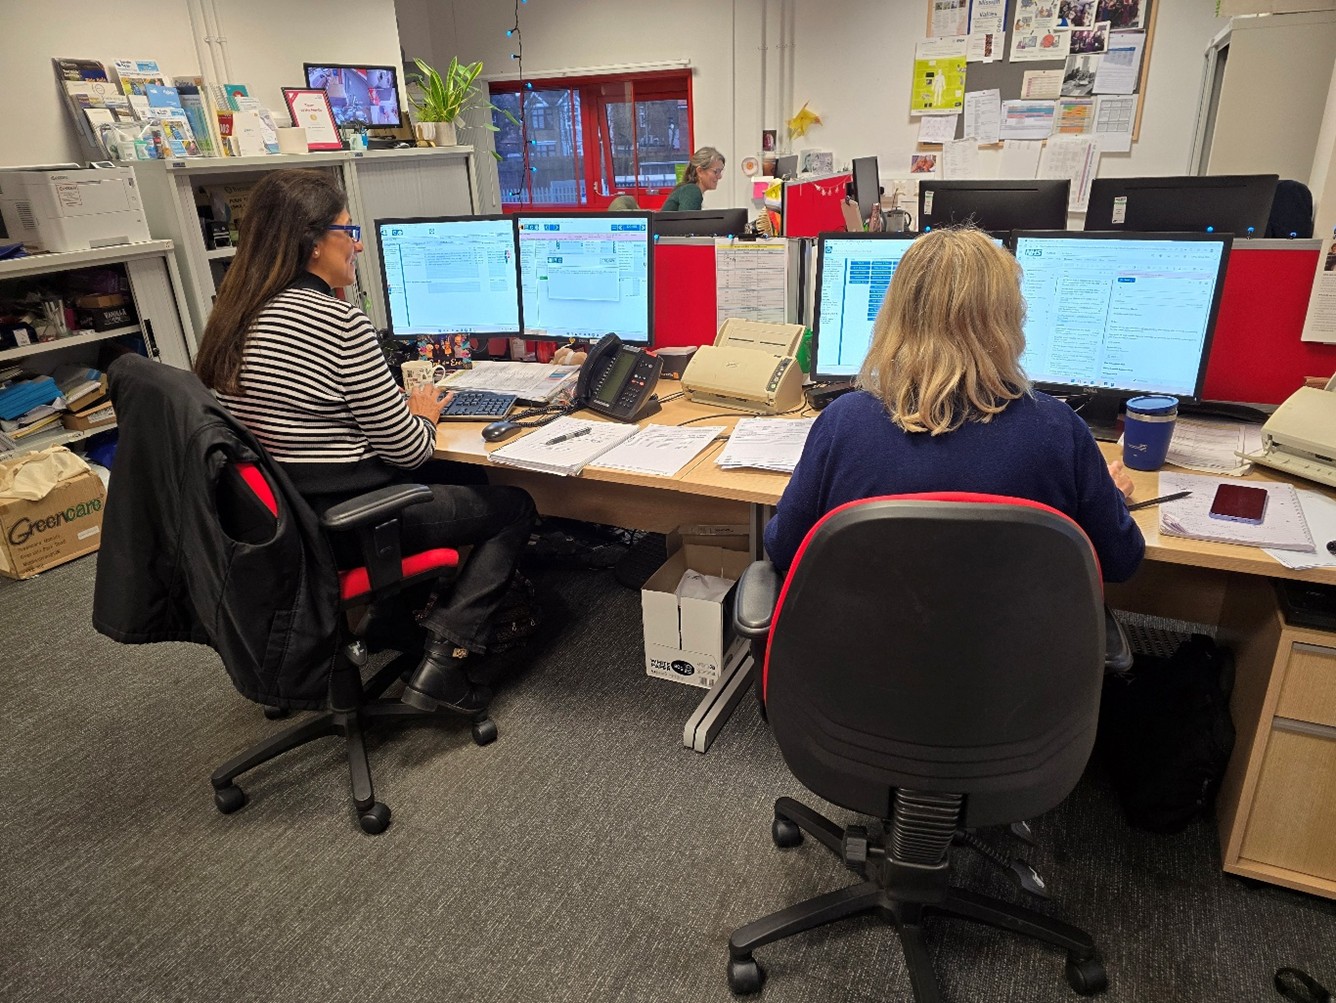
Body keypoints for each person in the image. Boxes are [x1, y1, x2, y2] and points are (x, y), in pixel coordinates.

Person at [193, 169, 535, 716]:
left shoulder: (233, 315)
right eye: (348, 232)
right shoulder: (337, 321)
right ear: (312, 242)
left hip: (279, 519)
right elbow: (410, 451)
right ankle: (443, 663)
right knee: (514, 506)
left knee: (465, 475)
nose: (356, 246)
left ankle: (391, 619)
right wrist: (421, 413)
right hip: (344, 520)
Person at [764, 226, 1144, 582]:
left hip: (864, 633)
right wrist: (1108, 496)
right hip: (1016, 634)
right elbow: (1120, 561)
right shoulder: (1058, 430)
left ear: (894, 315)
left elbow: (784, 549)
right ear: (1008, 321)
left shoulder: (843, 423)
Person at [661, 147, 725, 212]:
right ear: (700, 171)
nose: (720, 176)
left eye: (721, 171)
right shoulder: (692, 191)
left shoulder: (687, 189)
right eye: (716, 171)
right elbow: (687, 218)